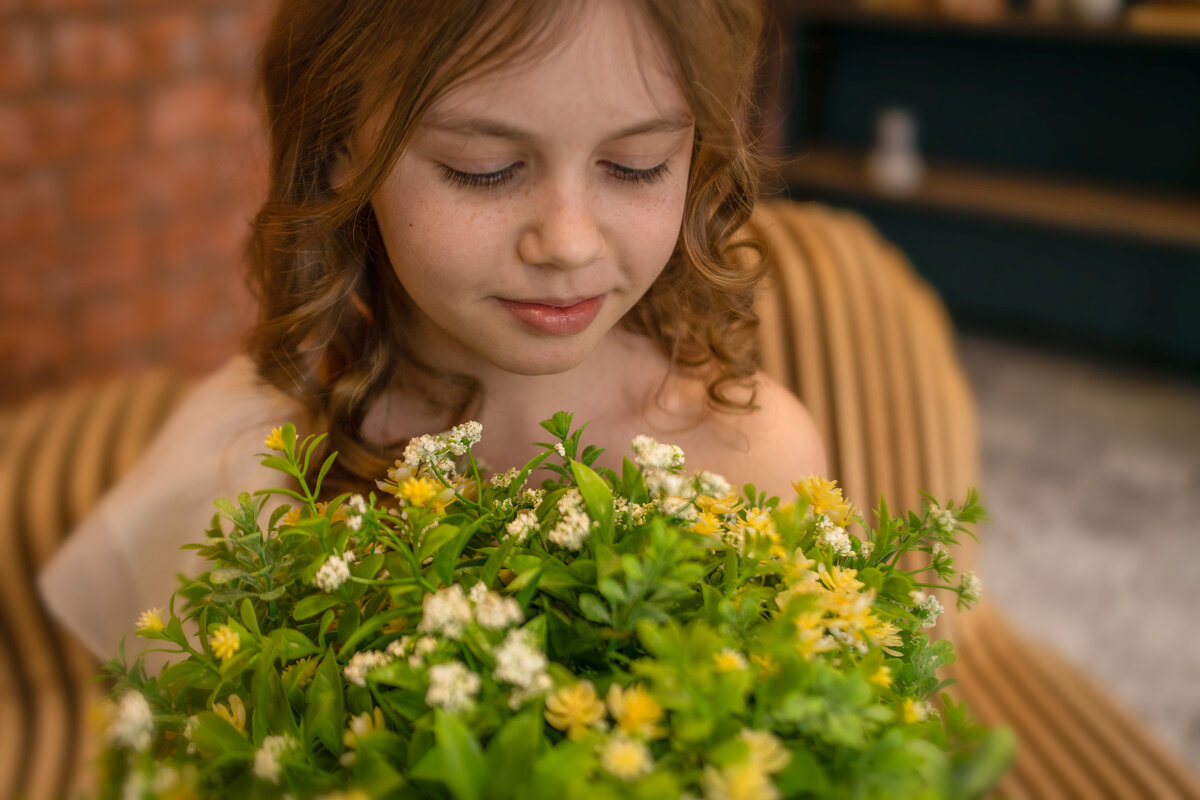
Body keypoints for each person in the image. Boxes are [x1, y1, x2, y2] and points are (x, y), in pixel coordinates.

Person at [40, 0, 825, 661]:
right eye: (482, 168)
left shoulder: (756, 459)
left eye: (636, 164)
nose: (569, 242)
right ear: (343, 144)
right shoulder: (247, 463)